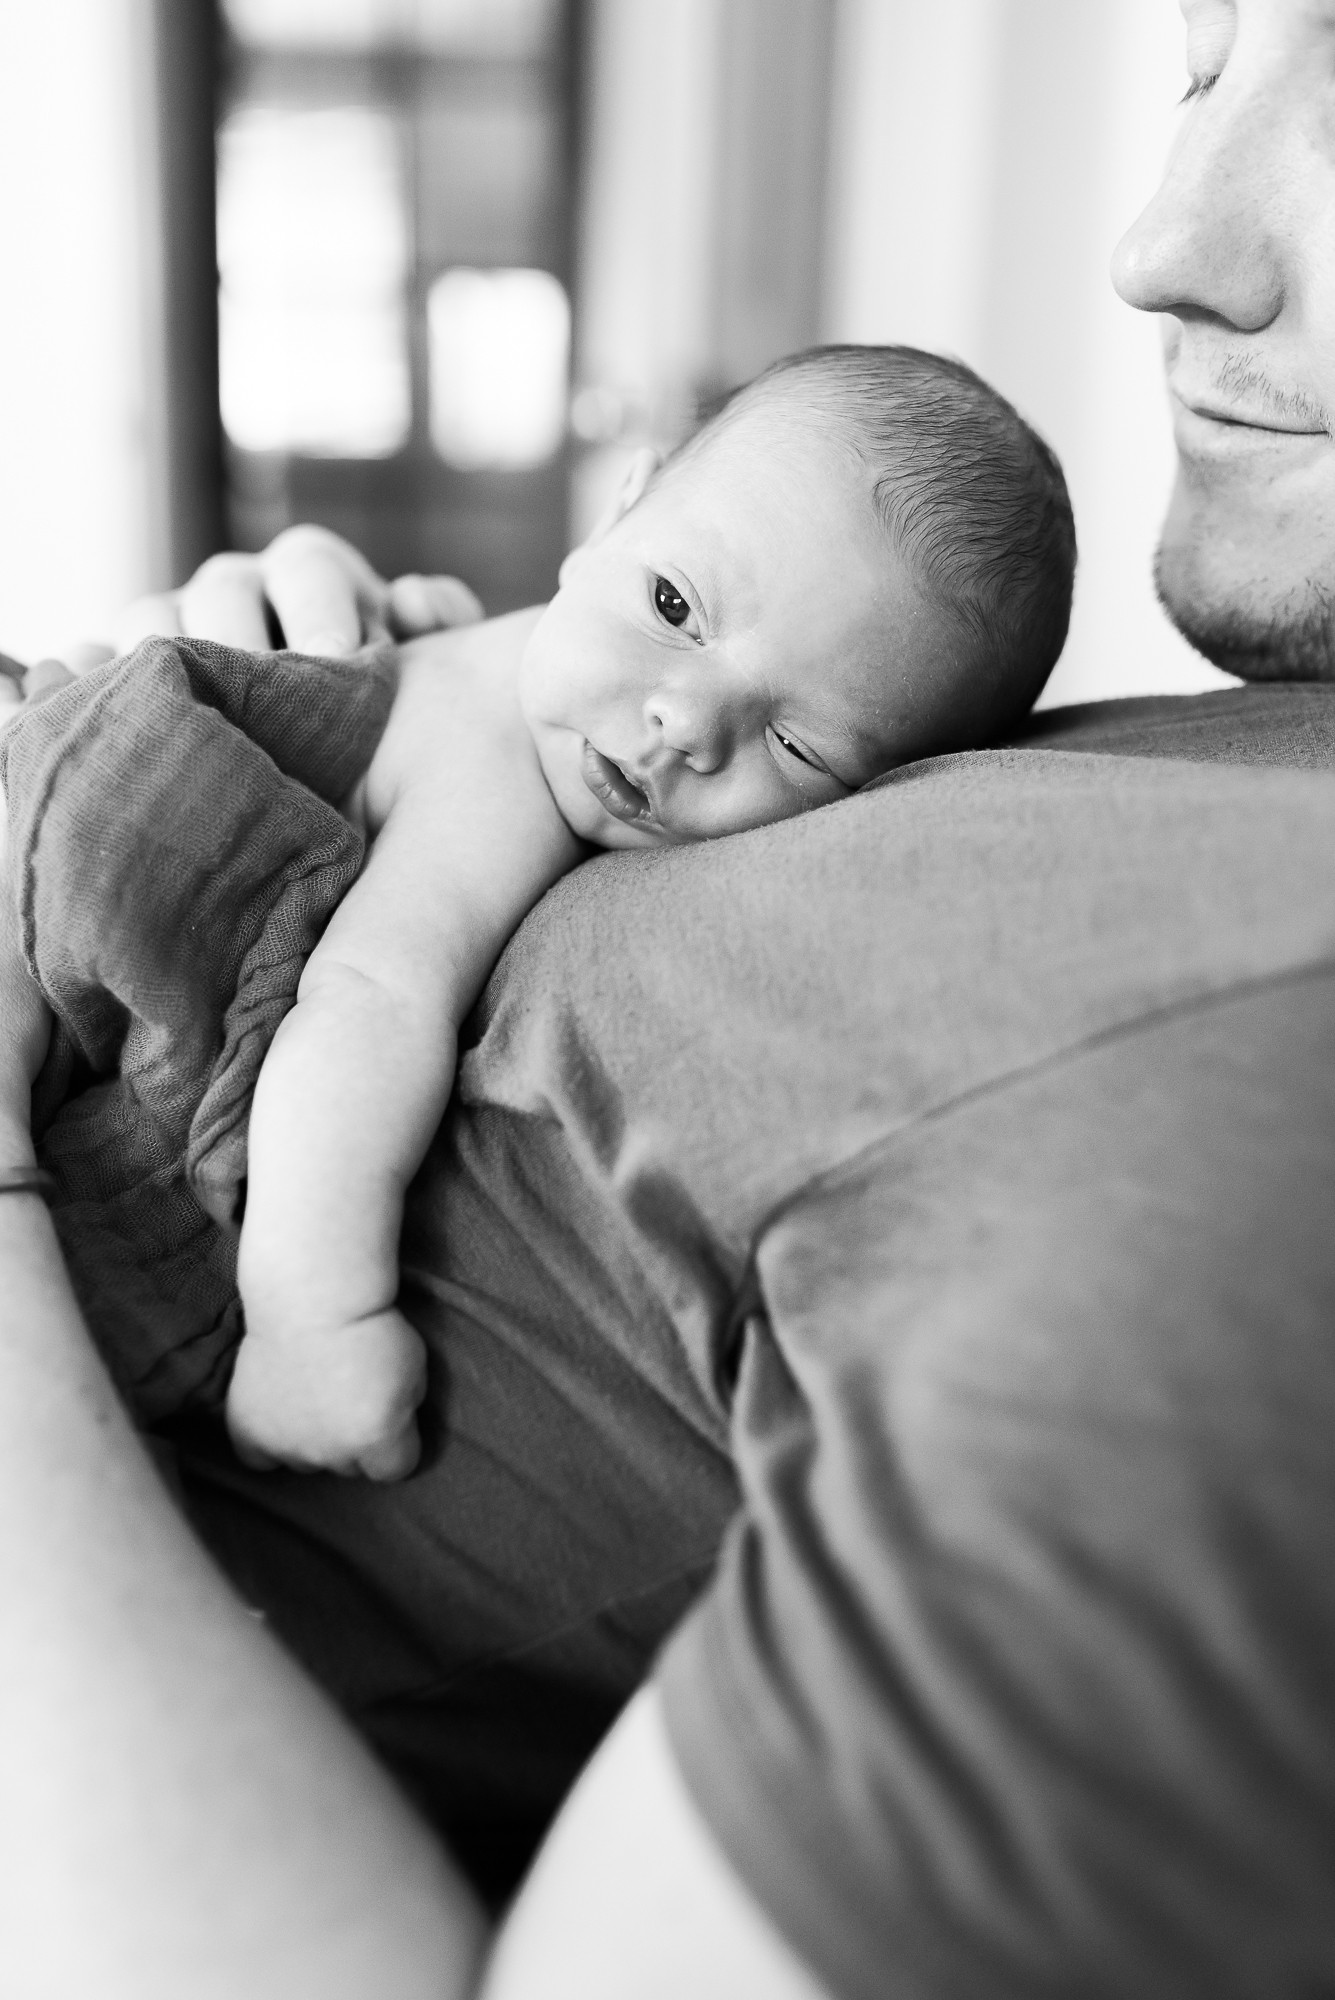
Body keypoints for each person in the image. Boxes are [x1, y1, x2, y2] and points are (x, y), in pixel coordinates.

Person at [1, 2, 1334, 1994]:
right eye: (1201, 53)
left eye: (792, 748)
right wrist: (316, 708)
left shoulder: (1244, 1148)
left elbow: (380, 993)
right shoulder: (1237, 746)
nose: (1157, 240)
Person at [3, 345, 1075, 1482]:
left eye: (798, 743)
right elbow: (368, 994)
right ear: (619, 507)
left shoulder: (555, 702)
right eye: (675, 605)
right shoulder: (499, 752)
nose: (682, 722)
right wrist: (313, 1320)